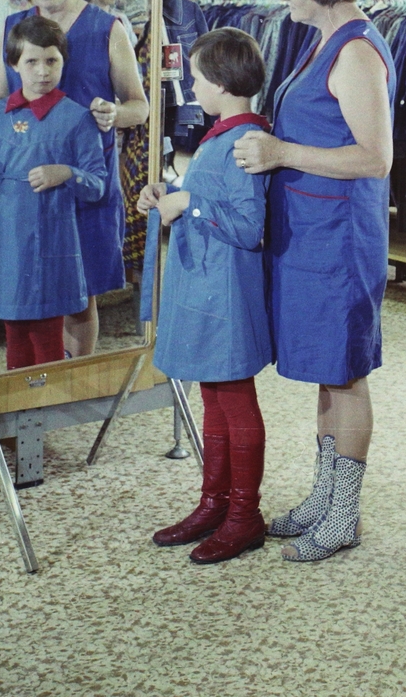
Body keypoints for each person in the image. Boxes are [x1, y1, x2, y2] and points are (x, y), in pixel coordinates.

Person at [231, 0, 394, 563]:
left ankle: (344, 513)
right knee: (326, 370)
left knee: (346, 374)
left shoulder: (355, 53)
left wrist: (281, 153)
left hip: (341, 240)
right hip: (311, 236)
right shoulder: (323, 40)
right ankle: (324, 496)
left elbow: (374, 158)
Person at [140, 28, 273, 564]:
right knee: (214, 399)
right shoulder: (223, 135)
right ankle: (214, 502)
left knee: (234, 401)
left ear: (219, 82)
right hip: (208, 289)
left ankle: (245, 514)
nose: (191, 85)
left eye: (196, 77)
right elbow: (212, 199)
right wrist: (168, 194)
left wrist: (188, 202)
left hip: (227, 294)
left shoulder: (242, 142)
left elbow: (248, 227)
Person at [0, 0, 149, 358]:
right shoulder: (13, 27)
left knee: (81, 293)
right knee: (32, 285)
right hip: (30, 180)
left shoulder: (107, 28)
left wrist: (117, 114)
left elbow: (141, 106)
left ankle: (76, 382)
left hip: (86, 180)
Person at [0, 17, 108, 369]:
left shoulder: (77, 118)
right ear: (13, 65)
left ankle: (46, 411)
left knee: (47, 330)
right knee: (14, 329)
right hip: (5, 232)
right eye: (31, 62)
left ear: (63, 62)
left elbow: (98, 184)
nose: (42, 72)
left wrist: (67, 173)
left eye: (51, 61)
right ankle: (17, 413)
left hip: (52, 237)